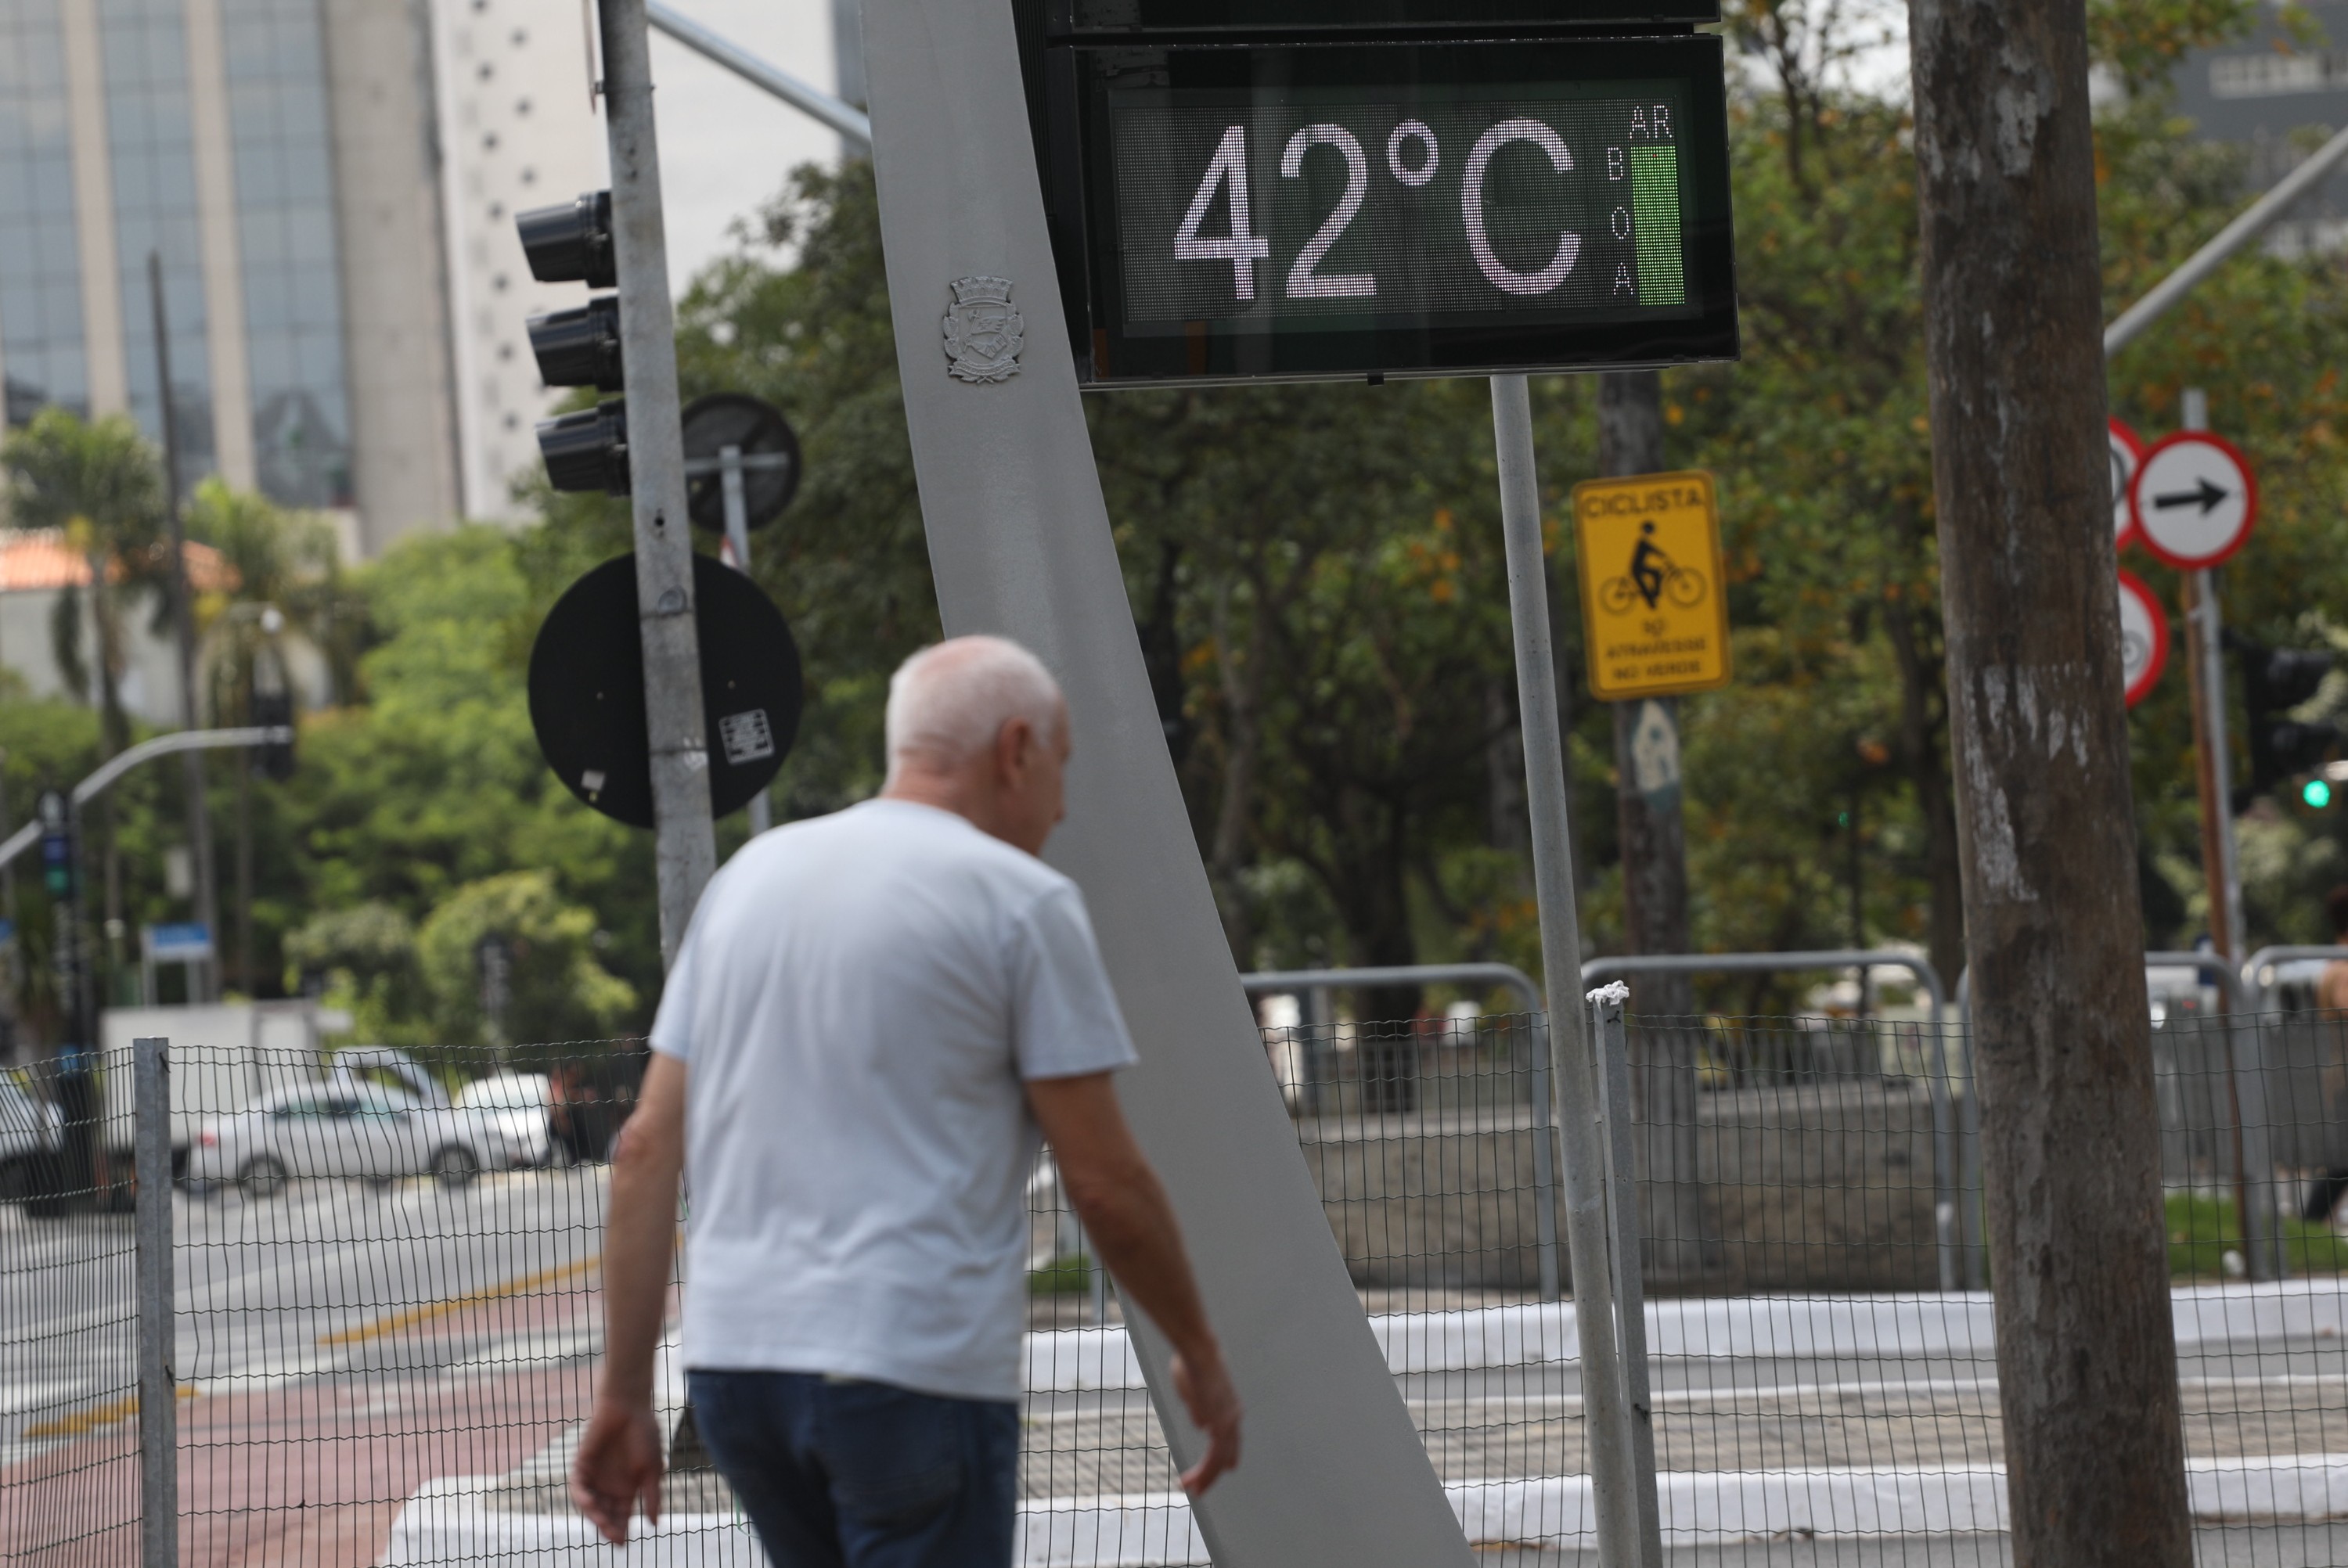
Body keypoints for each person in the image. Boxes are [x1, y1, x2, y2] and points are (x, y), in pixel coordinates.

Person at [571, 635, 1241, 1565]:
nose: (1062, 805)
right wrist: (1200, 1352)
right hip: (907, 1369)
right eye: (1061, 768)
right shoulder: (1019, 902)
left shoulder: (743, 886)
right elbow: (1103, 1185)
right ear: (1014, 750)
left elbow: (643, 1148)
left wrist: (622, 1396)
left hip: (739, 1373)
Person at [2307, 886, 2348, 1225]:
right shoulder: (2343, 966)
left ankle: (2311, 1219)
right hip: (2346, 1075)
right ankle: (2311, 1218)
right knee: (2343, 1161)